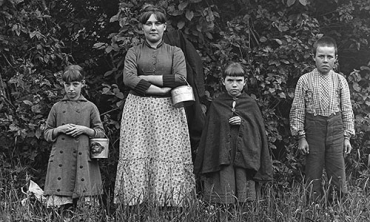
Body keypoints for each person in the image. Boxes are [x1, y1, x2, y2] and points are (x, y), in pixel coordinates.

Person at [114, 4, 195, 206]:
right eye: (148, 23)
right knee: (137, 151)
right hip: (139, 109)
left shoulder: (175, 52)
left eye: (157, 23)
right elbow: (129, 79)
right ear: (142, 28)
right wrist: (158, 89)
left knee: (169, 153)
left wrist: (146, 77)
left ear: (164, 27)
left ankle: (170, 202)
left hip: (169, 110)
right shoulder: (134, 52)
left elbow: (180, 78)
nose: (153, 27)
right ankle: (136, 202)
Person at [194, 62, 273, 204]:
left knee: (243, 179)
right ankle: (223, 206)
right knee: (225, 178)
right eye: (230, 81)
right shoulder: (217, 104)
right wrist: (225, 122)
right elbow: (210, 134)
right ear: (223, 82)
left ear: (245, 82)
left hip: (244, 155)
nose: (234, 85)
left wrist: (243, 122)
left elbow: (257, 132)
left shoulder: (250, 104)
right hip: (223, 155)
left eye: (238, 81)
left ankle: (244, 207)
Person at [289, 36, 355, 201]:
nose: (325, 60)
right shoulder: (304, 80)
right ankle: (315, 207)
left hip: (336, 129)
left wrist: (347, 137)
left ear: (335, 59)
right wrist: (301, 137)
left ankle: (338, 208)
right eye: (321, 56)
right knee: (313, 171)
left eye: (329, 56)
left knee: (337, 171)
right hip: (314, 129)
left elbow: (347, 109)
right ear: (314, 57)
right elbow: (298, 109)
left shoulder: (340, 81)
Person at [43, 65, 105, 210]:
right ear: (63, 85)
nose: (71, 89)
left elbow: (100, 132)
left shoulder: (90, 107)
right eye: (67, 84)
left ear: (82, 84)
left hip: (83, 157)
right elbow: (47, 133)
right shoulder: (57, 107)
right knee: (59, 208)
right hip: (61, 158)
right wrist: (59, 129)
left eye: (75, 84)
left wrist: (85, 130)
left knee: (86, 205)